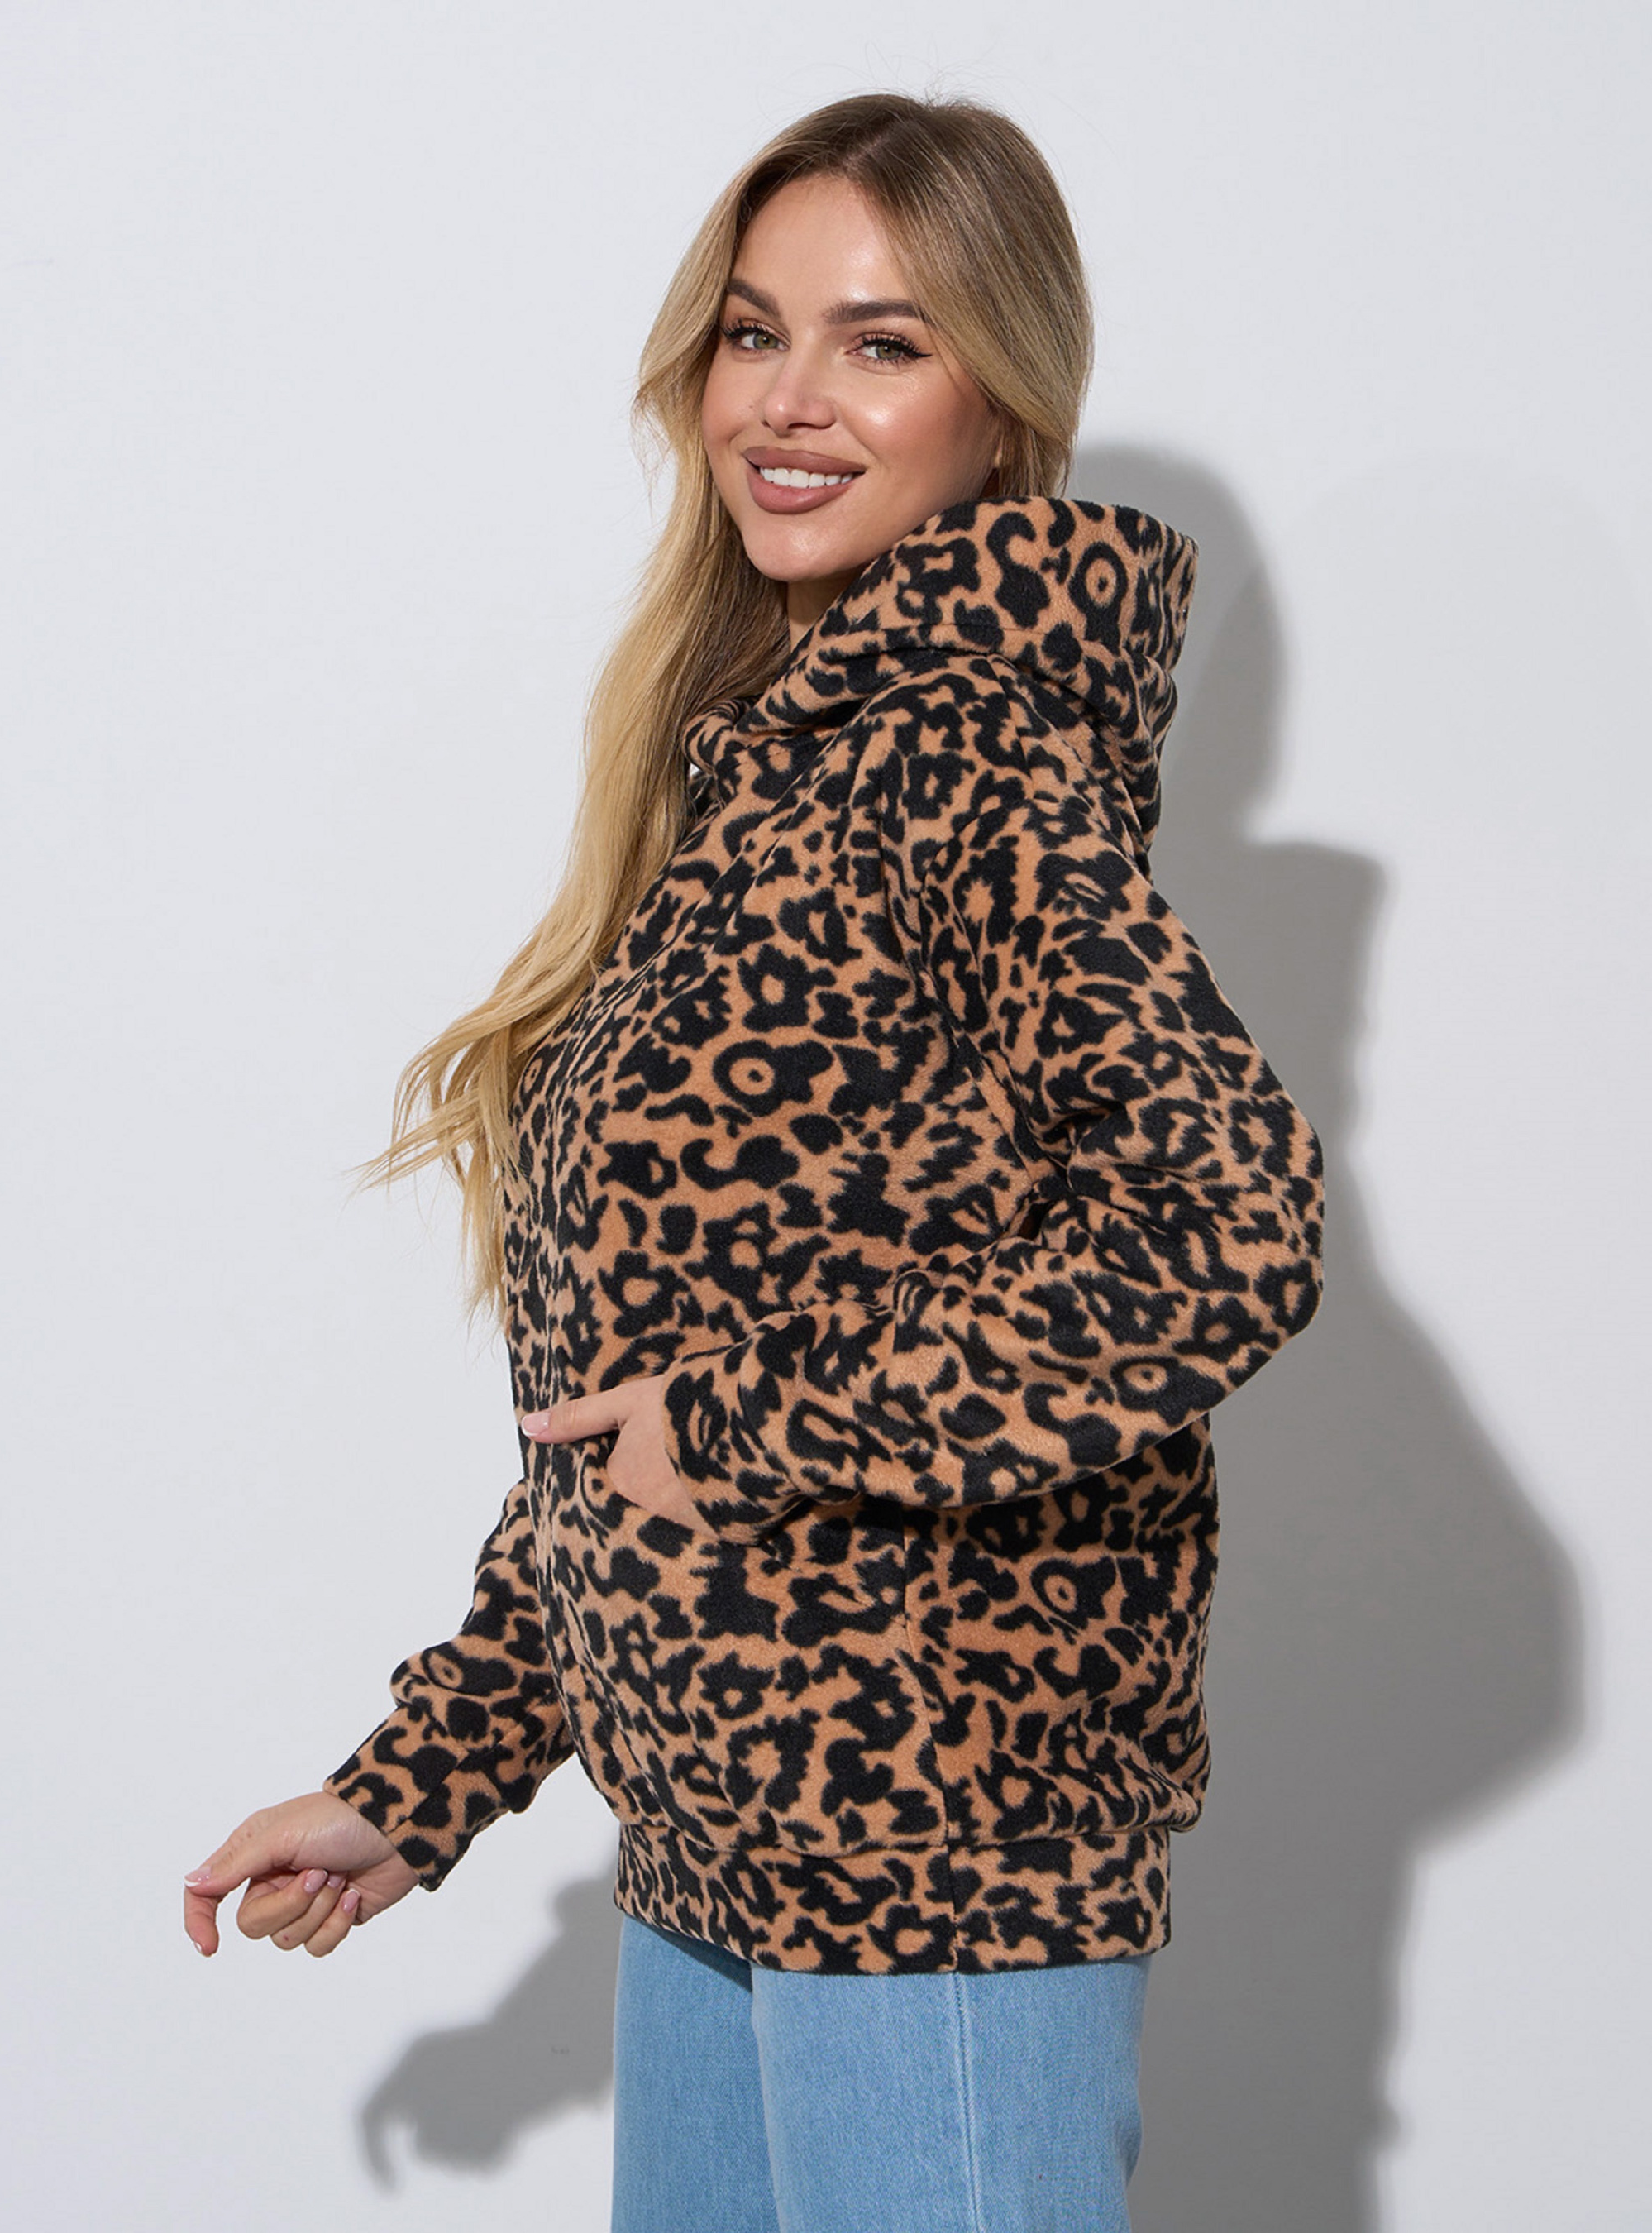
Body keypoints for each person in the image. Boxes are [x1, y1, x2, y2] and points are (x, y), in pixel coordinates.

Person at [183, 92, 1323, 2232]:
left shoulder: (969, 760)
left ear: (1001, 402)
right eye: (751, 332)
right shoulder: (750, 780)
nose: (790, 401)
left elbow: (1226, 1229)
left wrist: (752, 1417)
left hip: (935, 1868)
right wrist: (421, 1780)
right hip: (716, 1864)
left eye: (882, 343)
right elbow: (626, 1413)